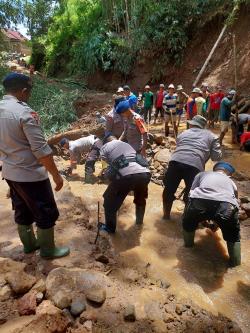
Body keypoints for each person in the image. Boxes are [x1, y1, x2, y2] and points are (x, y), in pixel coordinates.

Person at [0, 73, 70, 258]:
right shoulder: (24, 113)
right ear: (23, 91)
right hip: (30, 175)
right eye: (28, 93)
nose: (28, 96)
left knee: (22, 208)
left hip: (10, 173)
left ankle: (29, 245)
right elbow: (41, 150)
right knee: (46, 212)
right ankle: (48, 250)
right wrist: (56, 175)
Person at [162, 115, 222, 220]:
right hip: (195, 166)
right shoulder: (212, 136)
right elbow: (216, 157)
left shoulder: (183, 133)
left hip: (175, 161)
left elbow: (180, 146)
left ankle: (166, 217)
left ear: (192, 124)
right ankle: (186, 221)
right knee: (191, 195)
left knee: (169, 190)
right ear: (202, 126)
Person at [182, 162, 241, 267]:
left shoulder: (203, 174)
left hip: (199, 202)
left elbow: (191, 192)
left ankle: (188, 248)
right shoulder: (231, 182)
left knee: (188, 224)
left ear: (215, 170)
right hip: (226, 205)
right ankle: (235, 265)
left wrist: (198, 216)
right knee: (233, 235)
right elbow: (234, 202)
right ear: (229, 174)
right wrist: (218, 223)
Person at [99, 137, 151, 233]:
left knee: (108, 201)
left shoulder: (104, 147)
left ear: (105, 142)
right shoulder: (126, 145)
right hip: (145, 174)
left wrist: (106, 178)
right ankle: (139, 224)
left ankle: (109, 229)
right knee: (140, 199)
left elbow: (107, 169)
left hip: (126, 176)